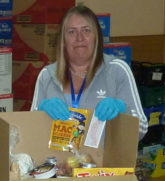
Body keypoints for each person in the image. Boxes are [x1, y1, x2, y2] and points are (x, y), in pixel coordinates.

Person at [31, 5, 148, 140]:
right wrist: (40, 111)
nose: (79, 38)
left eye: (86, 30)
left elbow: (142, 129)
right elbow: (30, 132)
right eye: (71, 32)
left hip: (104, 160)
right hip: (58, 160)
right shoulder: (46, 75)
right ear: (63, 41)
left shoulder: (117, 70)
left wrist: (123, 110)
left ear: (96, 37)